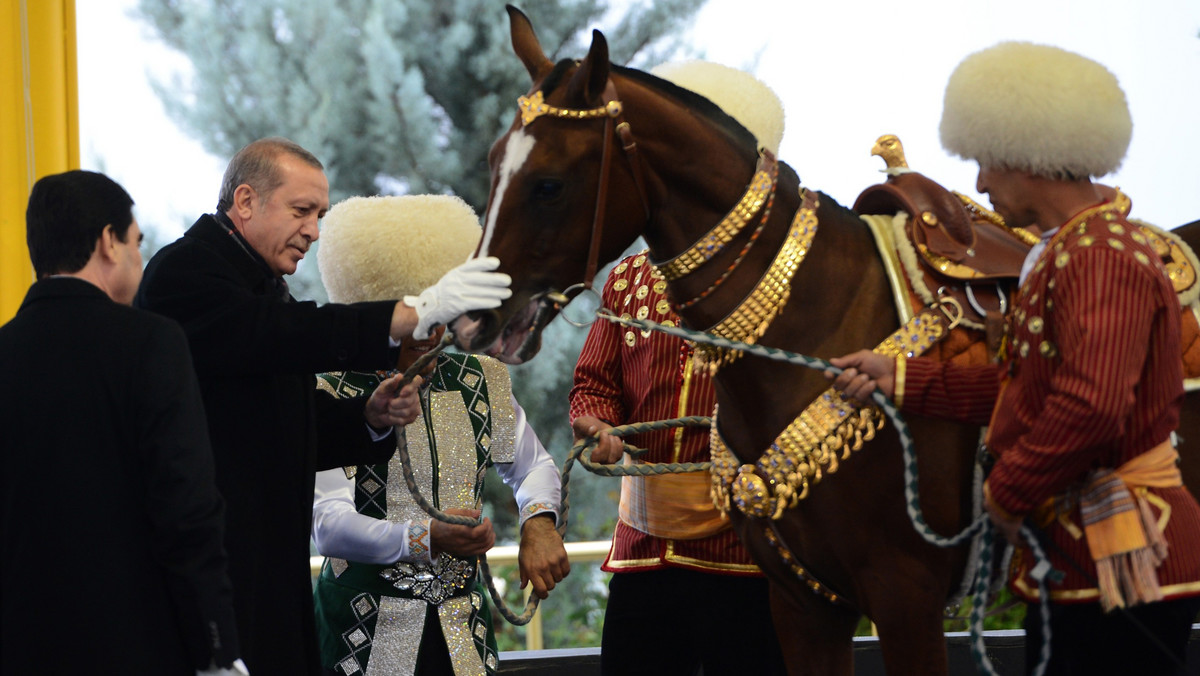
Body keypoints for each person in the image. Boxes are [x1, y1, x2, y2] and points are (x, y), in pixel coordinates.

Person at [828, 42, 1200, 675]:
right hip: (1087, 561)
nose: (978, 186)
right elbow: (1027, 391)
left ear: (1028, 158)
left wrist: (1007, 490)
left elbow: (1091, 406)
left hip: (1127, 566)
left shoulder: (1100, 255)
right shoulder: (1069, 250)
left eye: (985, 165)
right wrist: (902, 376)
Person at [135, 137, 512, 675]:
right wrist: (412, 312)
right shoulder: (185, 272)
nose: (314, 230)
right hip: (214, 567)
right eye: (301, 211)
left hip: (264, 562)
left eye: (320, 215)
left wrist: (367, 417)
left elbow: (277, 413)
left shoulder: (258, 283)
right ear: (245, 201)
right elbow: (278, 335)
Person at [309, 194, 569, 676]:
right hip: (360, 638)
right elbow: (327, 524)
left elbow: (532, 465)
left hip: (463, 632)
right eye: (416, 320)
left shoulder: (482, 377)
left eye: (441, 318)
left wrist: (539, 522)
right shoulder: (330, 389)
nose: (431, 335)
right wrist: (425, 538)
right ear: (379, 314)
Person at [0, 170, 245, 674]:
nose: (138, 255)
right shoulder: (150, 341)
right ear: (108, 242)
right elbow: (186, 508)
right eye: (136, 241)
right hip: (135, 643)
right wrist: (216, 648)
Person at [569, 251, 787, 676]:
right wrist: (598, 422)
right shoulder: (627, 277)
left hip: (747, 551)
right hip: (643, 553)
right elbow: (594, 383)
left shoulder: (772, 272)